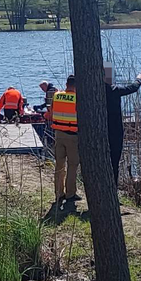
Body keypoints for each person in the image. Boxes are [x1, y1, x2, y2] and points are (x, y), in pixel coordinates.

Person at [104, 62, 141, 185]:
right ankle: (113, 187)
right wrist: (139, 78)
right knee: (114, 161)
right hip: (115, 130)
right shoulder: (114, 90)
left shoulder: (93, 92)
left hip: (101, 132)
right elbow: (132, 87)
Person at [52, 75, 80, 203]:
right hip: (72, 135)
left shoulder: (57, 95)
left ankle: (58, 193)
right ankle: (70, 193)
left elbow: (51, 111)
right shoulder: (77, 98)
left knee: (59, 164)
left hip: (58, 134)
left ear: (66, 84)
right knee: (72, 165)